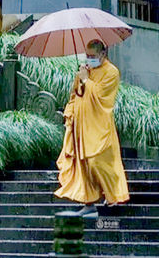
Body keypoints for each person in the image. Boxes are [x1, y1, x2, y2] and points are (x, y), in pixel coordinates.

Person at [54, 39, 129, 216]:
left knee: (99, 162)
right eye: (87, 56)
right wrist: (70, 112)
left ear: (103, 54)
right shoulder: (85, 71)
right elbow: (75, 95)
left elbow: (102, 97)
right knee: (84, 164)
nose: (89, 59)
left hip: (98, 126)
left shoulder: (111, 72)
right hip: (81, 124)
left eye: (92, 56)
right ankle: (89, 202)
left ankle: (114, 198)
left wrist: (87, 80)